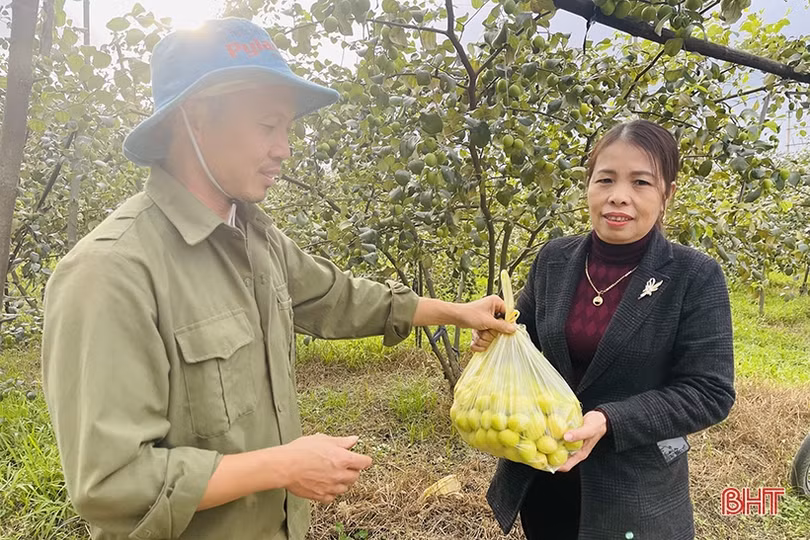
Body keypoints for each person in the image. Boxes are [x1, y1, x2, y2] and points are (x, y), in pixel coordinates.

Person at [41, 18, 515, 540]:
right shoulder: (112, 274)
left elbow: (339, 297)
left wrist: (457, 312)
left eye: (287, 130)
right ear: (197, 119)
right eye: (268, 126)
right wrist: (284, 466)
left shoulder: (255, 238)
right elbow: (112, 482)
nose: (284, 149)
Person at [473, 120, 735, 539]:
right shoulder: (554, 259)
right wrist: (496, 338)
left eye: (641, 182)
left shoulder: (694, 276)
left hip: (633, 494)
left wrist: (609, 420)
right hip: (543, 475)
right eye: (606, 179)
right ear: (589, 185)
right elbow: (525, 343)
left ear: (668, 193)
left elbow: (710, 392)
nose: (619, 196)